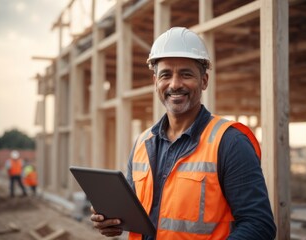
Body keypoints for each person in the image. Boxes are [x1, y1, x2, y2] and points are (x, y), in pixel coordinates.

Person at [91, 27, 276, 239]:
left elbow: (259, 226)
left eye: (186, 74)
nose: (175, 84)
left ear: (204, 80)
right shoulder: (142, 143)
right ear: (155, 82)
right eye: (166, 75)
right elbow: (137, 213)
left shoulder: (230, 142)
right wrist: (112, 221)